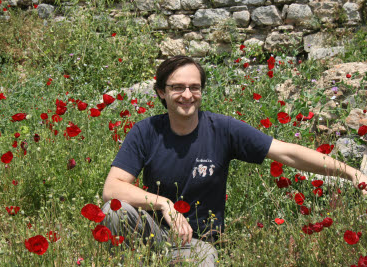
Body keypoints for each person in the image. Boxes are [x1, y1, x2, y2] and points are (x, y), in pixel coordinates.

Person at [101, 55, 367, 266]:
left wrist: (351, 173)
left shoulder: (222, 129)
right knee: (114, 210)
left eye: (194, 87)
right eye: (177, 87)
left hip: (197, 241)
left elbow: (287, 152)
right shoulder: (146, 131)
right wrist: (163, 204)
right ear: (161, 92)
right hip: (153, 234)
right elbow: (112, 188)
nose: (187, 95)